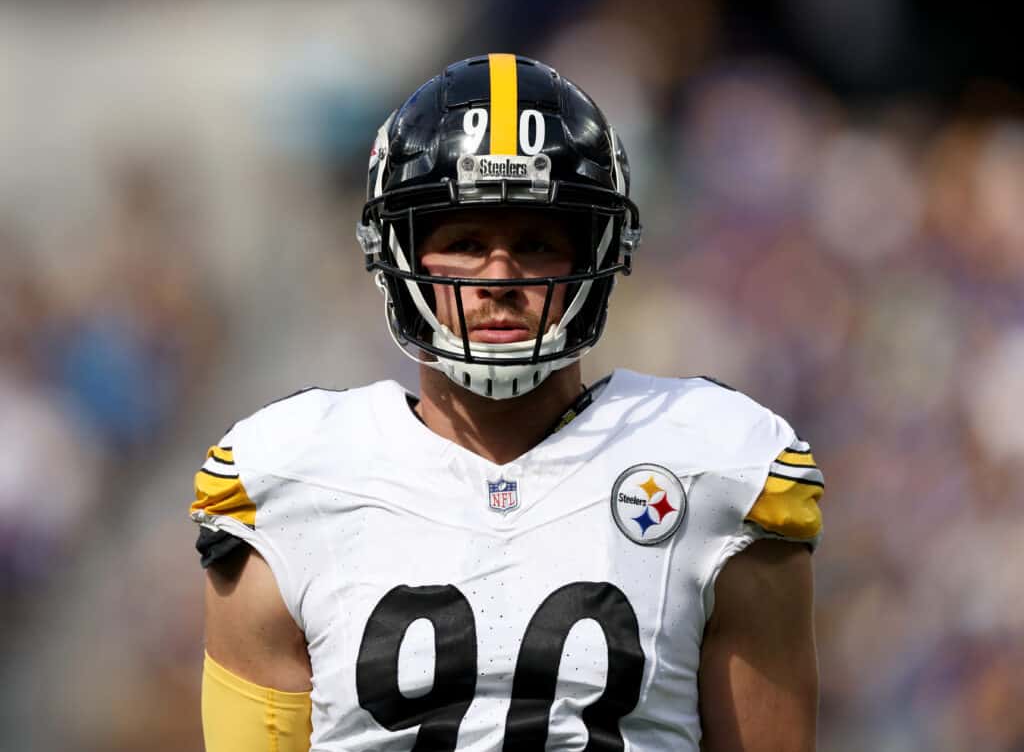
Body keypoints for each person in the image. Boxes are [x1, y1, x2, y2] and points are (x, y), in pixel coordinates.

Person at [191, 54, 824, 752]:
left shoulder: (714, 467)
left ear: (602, 251)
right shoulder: (292, 481)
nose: (500, 276)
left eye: (535, 243)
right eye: (464, 243)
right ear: (397, 254)